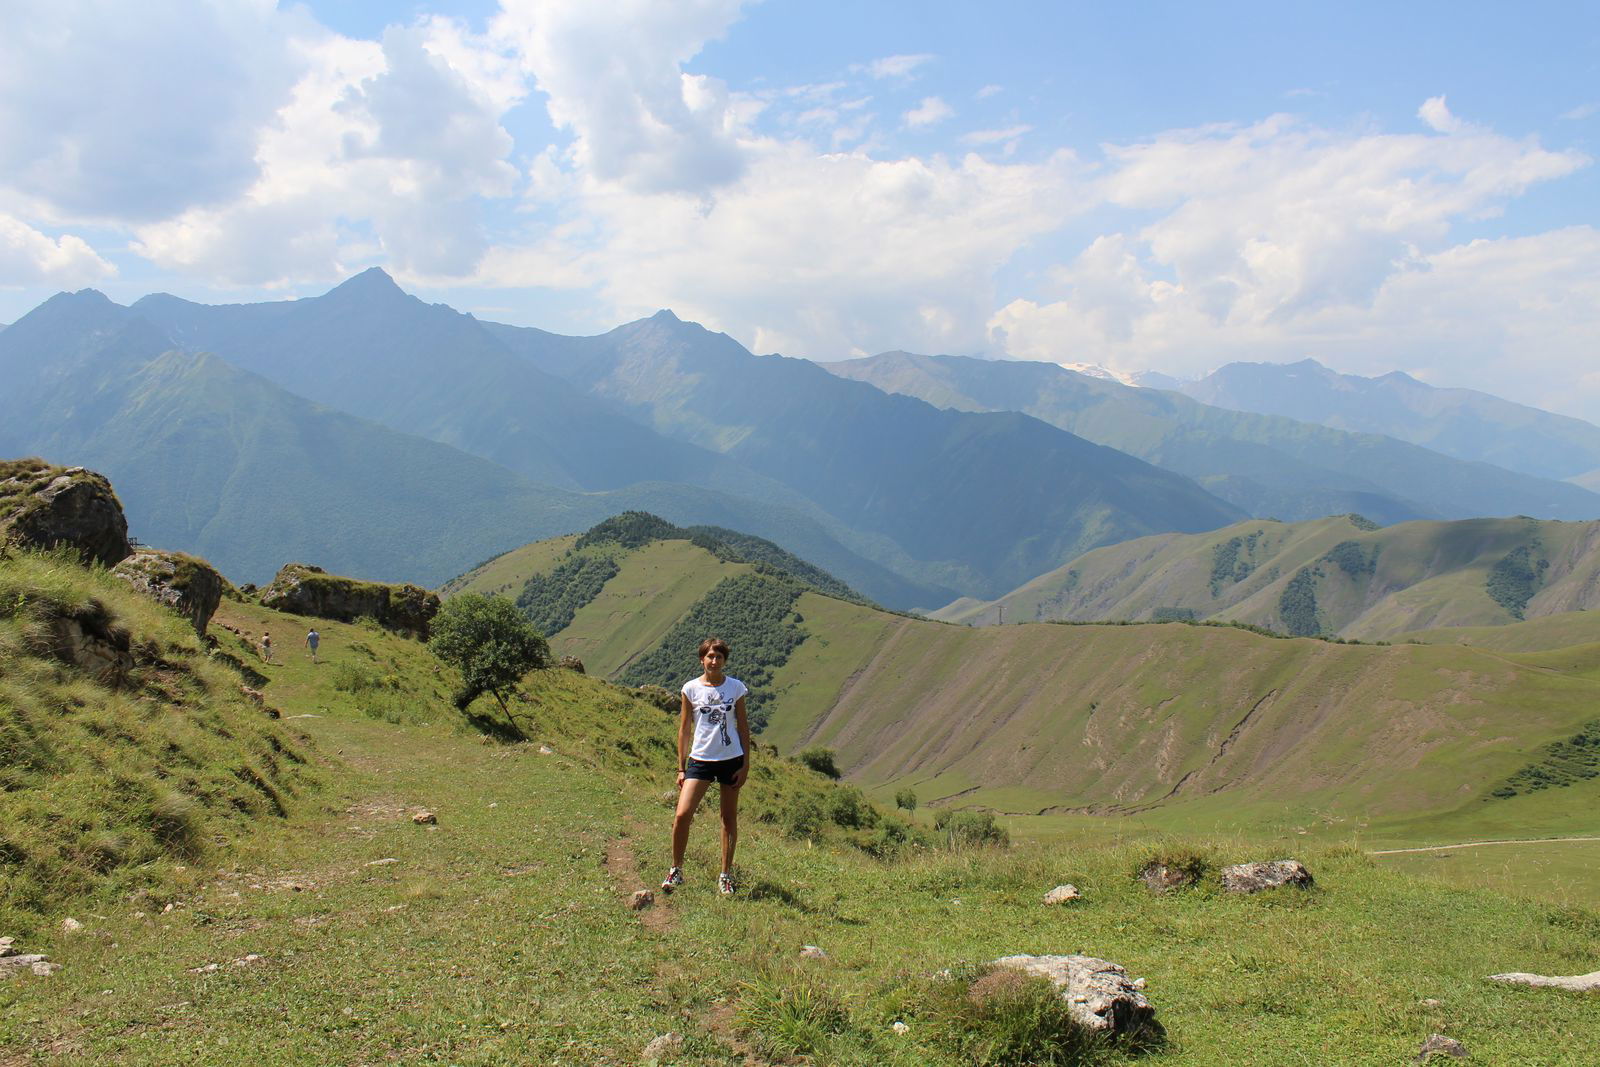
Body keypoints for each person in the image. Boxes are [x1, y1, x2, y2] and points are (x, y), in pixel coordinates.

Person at [662, 637, 751, 896]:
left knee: (728, 818)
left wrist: (745, 764)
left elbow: (743, 727)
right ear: (702, 659)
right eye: (710, 656)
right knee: (682, 815)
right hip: (700, 759)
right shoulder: (690, 689)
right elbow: (684, 729)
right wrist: (681, 767)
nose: (714, 661)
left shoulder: (736, 688)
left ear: (724, 661)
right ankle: (676, 870)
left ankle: (725, 875)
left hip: (730, 758)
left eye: (719, 657)